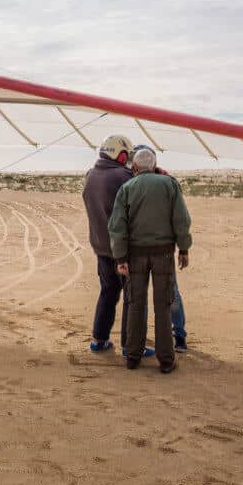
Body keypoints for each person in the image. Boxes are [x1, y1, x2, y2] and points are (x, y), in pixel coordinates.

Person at [109, 148, 192, 373]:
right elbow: (181, 220)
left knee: (136, 304)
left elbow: (117, 227)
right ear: (155, 165)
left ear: (134, 167)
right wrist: (183, 248)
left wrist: (120, 258)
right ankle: (166, 360)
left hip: (135, 256)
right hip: (164, 255)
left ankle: (133, 356)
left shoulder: (126, 188)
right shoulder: (169, 185)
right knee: (163, 306)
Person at [81, 134, 153, 356]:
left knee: (108, 293)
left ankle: (98, 339)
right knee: (132, 297)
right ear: (120, 154)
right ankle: (130, 346)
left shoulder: (91, 175)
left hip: (101, 247)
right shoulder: (124, 175)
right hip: (123, 249)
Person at [131, 145, 189, 353]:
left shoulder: (164, 183)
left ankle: (176, 335)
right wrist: (183, 248)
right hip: (161, 250)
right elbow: (181, 219)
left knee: (158, 293)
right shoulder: (164, 182)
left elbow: (180, 218)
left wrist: (183, 247)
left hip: (143, 251)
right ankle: (172, 337)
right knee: (164, 292)